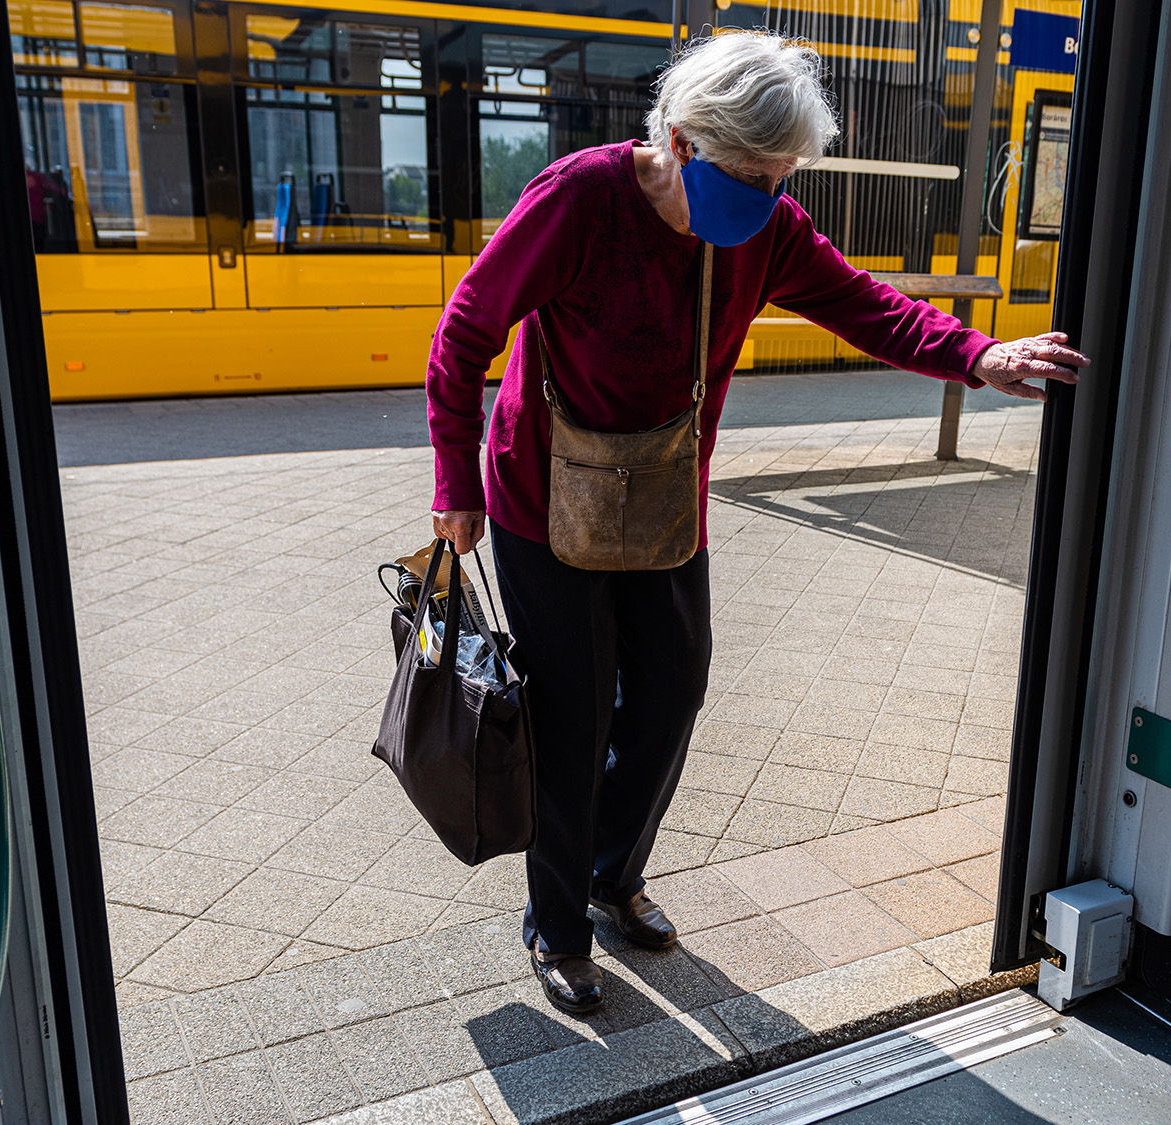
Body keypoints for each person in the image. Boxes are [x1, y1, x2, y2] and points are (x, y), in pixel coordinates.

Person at [424, 31, 1089, 1014]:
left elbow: (863, 304)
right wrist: (456, 487)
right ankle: (557, 923)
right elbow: (464, 333)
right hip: (539, 494)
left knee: (669, 697)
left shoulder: (764, 227)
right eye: (752, 173)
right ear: (682, 142)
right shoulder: (579, 200)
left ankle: (611, 874)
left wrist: (977, 357)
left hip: (659, 492)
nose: (769, 193)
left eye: (781, 176)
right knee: (569, 719)